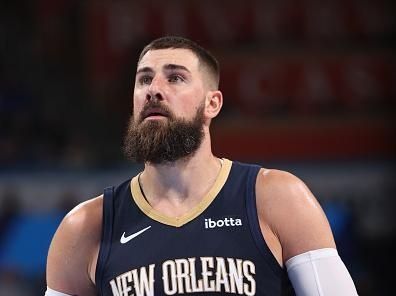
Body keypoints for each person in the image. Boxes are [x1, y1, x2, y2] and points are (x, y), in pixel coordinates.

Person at [45, 36, 358, 296]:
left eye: (175, 77)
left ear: (213, 103)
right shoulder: (85, 228)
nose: (154, 89)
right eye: (144, 79)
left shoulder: (277, 199)